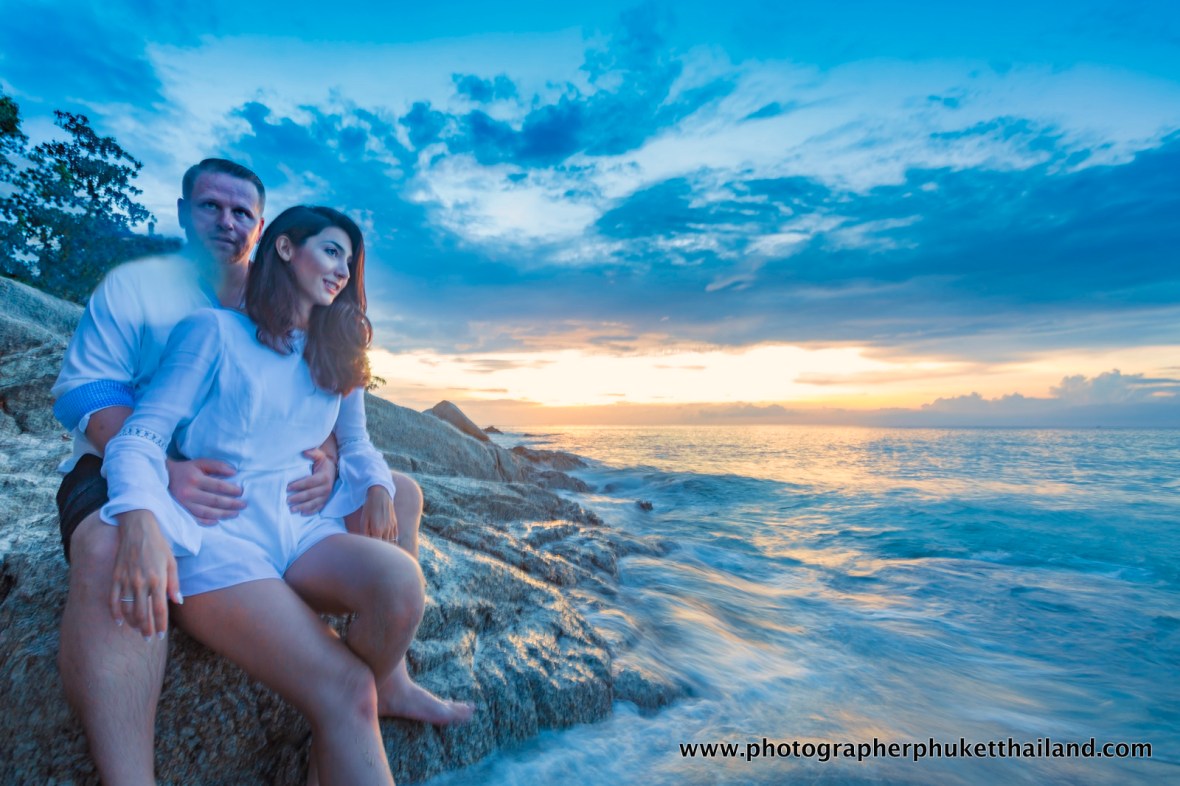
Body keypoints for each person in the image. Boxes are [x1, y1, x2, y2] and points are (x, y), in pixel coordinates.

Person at [53, 159, 467, 786]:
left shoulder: (292, 308)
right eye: (209, 207)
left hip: (274, 506)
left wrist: (335, 463)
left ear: (263, 227)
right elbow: (90, 394)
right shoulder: (145, 292)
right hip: (136, 466)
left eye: (240, 210)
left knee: (400, 502)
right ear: (183, 211)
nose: (225, 221)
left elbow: (319, 417)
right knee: (114, 543)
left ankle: (389, 679)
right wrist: (165, 475)